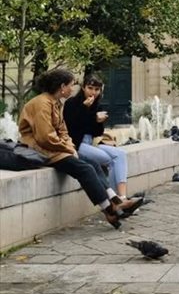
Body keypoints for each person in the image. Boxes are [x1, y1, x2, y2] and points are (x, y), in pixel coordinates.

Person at [18, 69, 142, 229]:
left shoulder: (55, 102)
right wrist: (68, 148)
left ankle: (115, 201)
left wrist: (69, 147)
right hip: (42, 151)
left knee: (93, 164)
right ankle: (110, 209)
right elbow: (45, 137)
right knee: (85, 169)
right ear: (62, 87)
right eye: (71, 85)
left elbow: (63, 131)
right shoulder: (42, 103)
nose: (73, 88)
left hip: (56, 149)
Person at [63, 73, 131, 200]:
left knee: (120, 154)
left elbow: (97, 133)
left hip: (91, 142)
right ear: (83, 87)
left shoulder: (97, 105)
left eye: (97, 89)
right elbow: (72, 127)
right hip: (76, 144)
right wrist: (85, 108)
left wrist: (99, 122)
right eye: (90, 88)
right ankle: (115, 200)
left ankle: (122, 196)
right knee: (109, 160)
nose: (93, 92)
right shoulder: (71, 103)